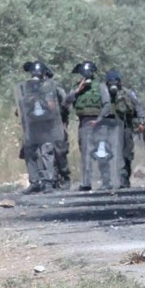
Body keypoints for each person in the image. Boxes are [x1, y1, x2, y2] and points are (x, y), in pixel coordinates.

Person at [64, 60, 113, 191]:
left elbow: (107, 104)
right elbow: (66, 102)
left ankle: (106, 181)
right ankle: (86, 183)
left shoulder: (100, 86)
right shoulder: (77, 87)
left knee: (101, 151)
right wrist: (77, 91)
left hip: (99, 123)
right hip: (84, 123)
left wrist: (99, 119)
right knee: (85, 153)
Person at [16, 61, 62, 193]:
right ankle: (34, 182)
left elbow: (53, 108)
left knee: (46, 152)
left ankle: (48, 182)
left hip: (45, 126)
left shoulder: (48, 89)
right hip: (32, 126)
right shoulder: (27, 90)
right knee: (29, 152)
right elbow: (21, 108)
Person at [106, 70, 143, 188]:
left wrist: (141, 121)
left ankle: (124, 176)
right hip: (109, 128)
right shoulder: (104, 94)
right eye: (110, 81)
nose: (113, 84)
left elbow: (138, 106)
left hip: (125, 126)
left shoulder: (127, 93)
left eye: (115, 81)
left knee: (126, 153)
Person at [45, 66, 72, 188]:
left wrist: (64, 124)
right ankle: (49, 178)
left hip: (57, 124)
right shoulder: (35, 91)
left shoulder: (58, 91)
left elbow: (66, 107)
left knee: (60, 151)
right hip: (41, 125)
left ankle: (65, 175)